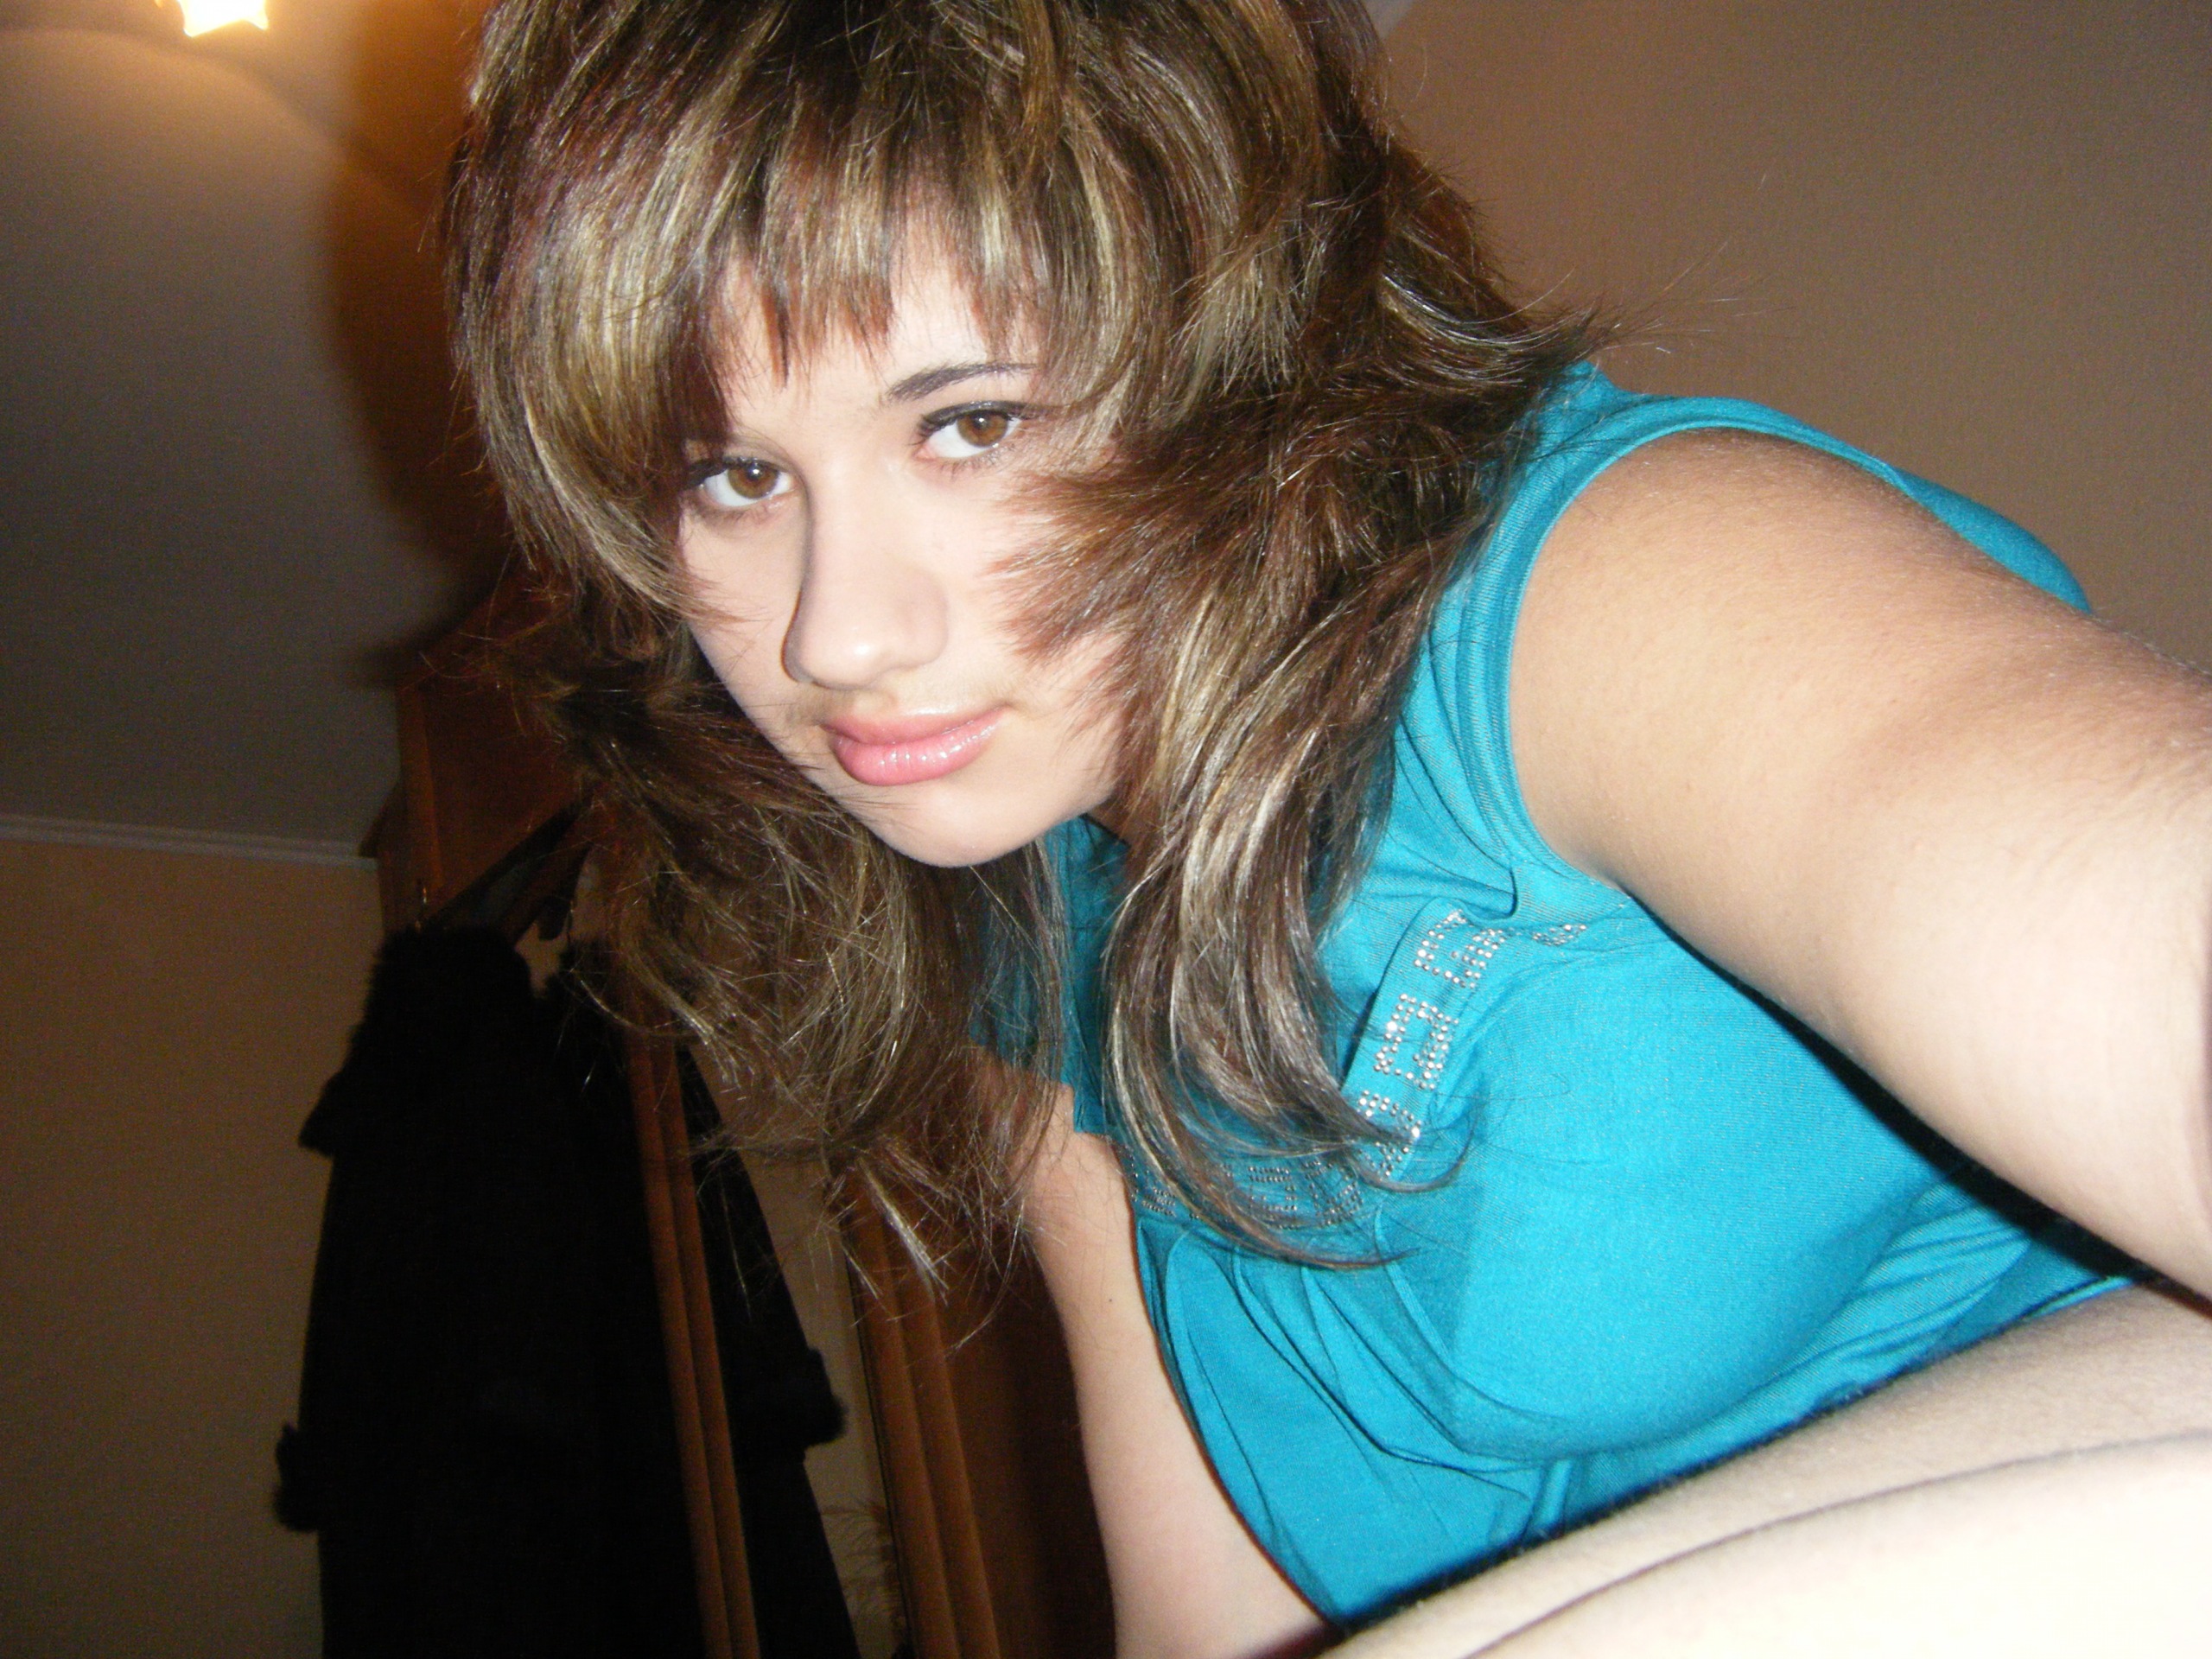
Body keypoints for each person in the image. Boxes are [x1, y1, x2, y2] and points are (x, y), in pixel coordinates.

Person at [445, 2, 2212, 1653]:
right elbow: (1211, 1609)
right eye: (738, 476)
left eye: (973, 423)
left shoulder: (1599, 597)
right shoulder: (1024, 951)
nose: (835, 635)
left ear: (1245, 350)